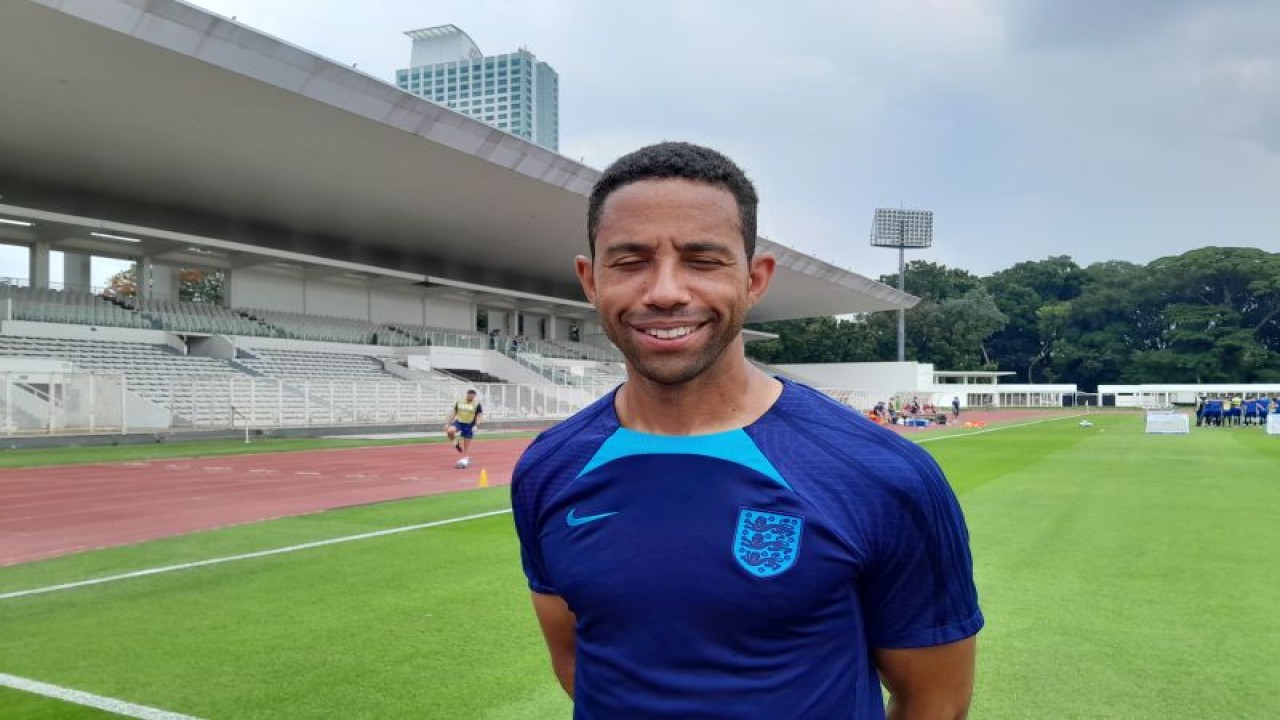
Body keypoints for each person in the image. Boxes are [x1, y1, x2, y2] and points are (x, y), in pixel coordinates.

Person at [511, 142, 982, 719]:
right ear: (590, 279)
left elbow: (935, 702)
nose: (664, 291)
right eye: (629, 261)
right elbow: (577, 663)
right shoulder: (548, 468)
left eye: (702, 260)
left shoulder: (883, 475)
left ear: (756, 279)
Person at [444, 389, 482, 469]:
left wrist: (476, 425)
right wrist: (448, 423)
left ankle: (465, 459)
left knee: (466, 446)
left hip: (469, 424)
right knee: (450, 431)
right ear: (467, 395)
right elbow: (453, 413)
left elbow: (479, 416)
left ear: (474, 396)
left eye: (473, 397)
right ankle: (455, 443)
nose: (471, 398)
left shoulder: (477, 404)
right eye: (470, 396)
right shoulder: (459, 402)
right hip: (459, 422)